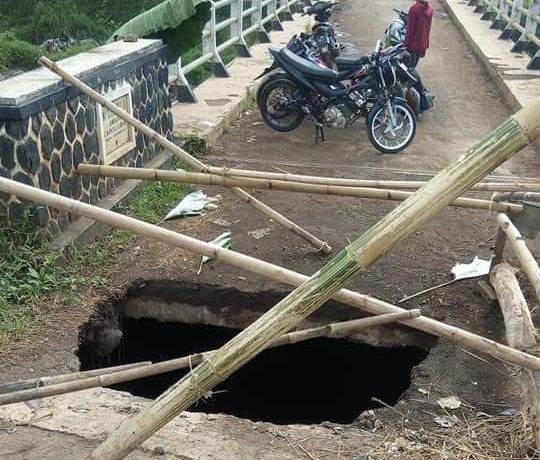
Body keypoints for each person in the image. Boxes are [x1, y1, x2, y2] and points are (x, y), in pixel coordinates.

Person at [404, 0, 433, 68]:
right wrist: (426, 44)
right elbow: (428, 28)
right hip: (422, 44)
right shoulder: (430, 9)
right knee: (414, 66)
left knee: (408, 68)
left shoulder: (414, 9)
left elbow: (410, 31)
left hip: (413, 45)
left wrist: (405, 46)